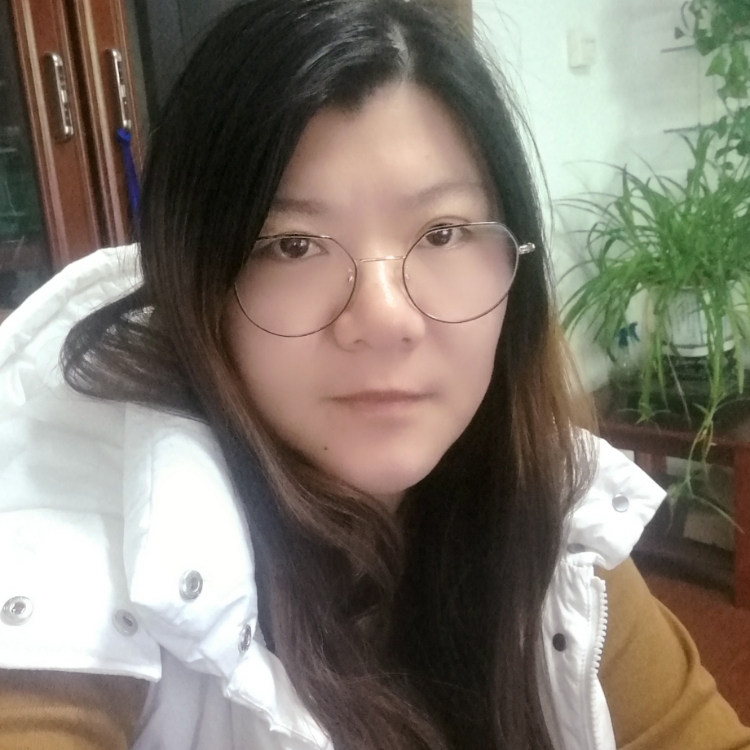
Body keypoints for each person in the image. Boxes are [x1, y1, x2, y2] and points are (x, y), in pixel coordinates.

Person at [0, 1, 748, 749]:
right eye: (293, 245)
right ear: (197, 285)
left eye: (444, 232)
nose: (385, 317)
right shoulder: (94, 561)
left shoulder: (553, 519)